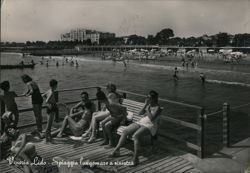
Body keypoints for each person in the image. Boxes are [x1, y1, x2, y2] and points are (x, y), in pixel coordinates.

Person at [109, 90, 161, 166]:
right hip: (142, 122)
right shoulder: (148, 105)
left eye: (148, 97)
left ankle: (135, 159)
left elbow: (152, 118)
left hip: (150, 125)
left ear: (153, 98)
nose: (147, 98)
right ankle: (117, 150)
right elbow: (140, 113)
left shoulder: (157, 107)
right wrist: (145, 105)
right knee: (125, 131)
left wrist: (148, 110)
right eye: (147, 97)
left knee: (135, 136)